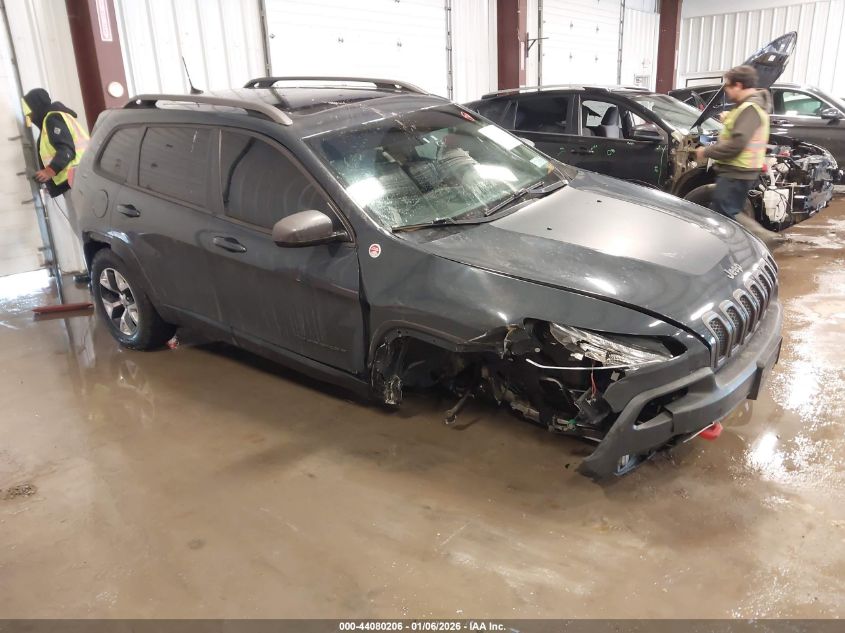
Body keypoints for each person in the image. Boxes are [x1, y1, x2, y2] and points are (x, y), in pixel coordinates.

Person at [694, 65, 781, 243]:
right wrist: (728, 119)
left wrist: (707, 151)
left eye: (728, 86)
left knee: (724, 213)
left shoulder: (750, 109)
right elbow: (739, 133)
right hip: (740, 169)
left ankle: (767, 238)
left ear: (738, 85)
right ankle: (739, 246)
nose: (726, 90)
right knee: (728, 210)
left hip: (738, 170)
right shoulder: (746, 108)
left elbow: (737, 144)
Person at [21, 88, 90, 280]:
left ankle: (94, 272)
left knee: (83, 229)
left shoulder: (52, 119)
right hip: (77, 180)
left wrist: (49, 171)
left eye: (30, 109)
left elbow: (66, 150)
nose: (29, 115)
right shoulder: (57, 117)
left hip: (75, 180)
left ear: (37, 105)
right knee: (83, 229)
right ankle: (92, 269)